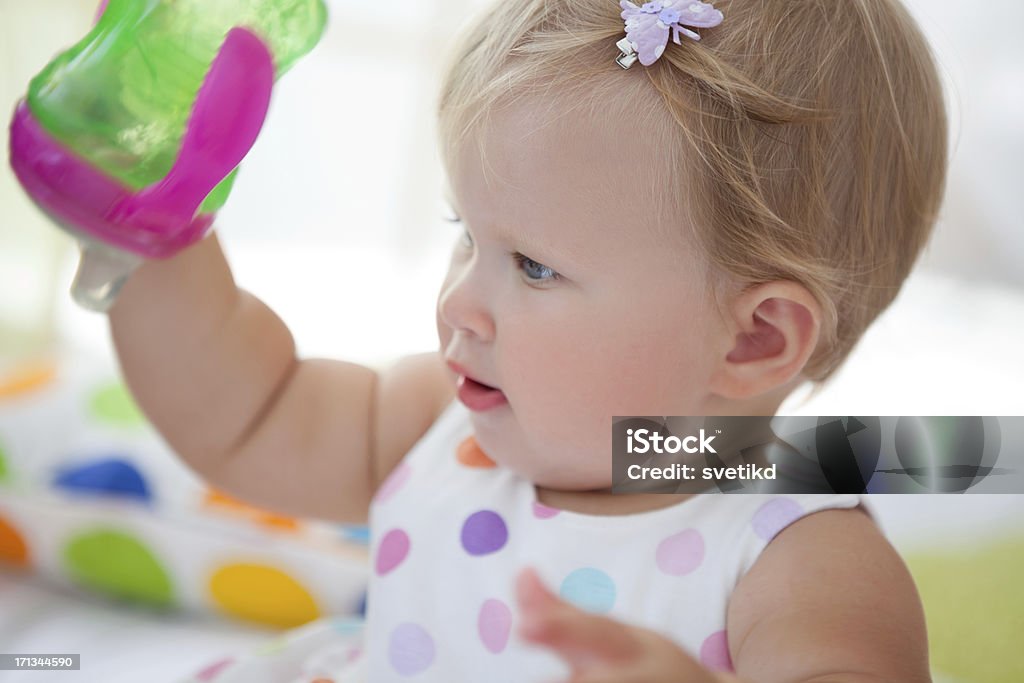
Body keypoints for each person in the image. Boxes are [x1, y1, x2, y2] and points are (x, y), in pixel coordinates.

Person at [107, 0, 947, 680]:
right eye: (465, 234)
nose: (459, 303)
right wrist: (155, 235)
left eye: (535, 267)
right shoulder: (438, 423)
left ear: (753, 341)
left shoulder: (804, 557)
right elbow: (248, 410)